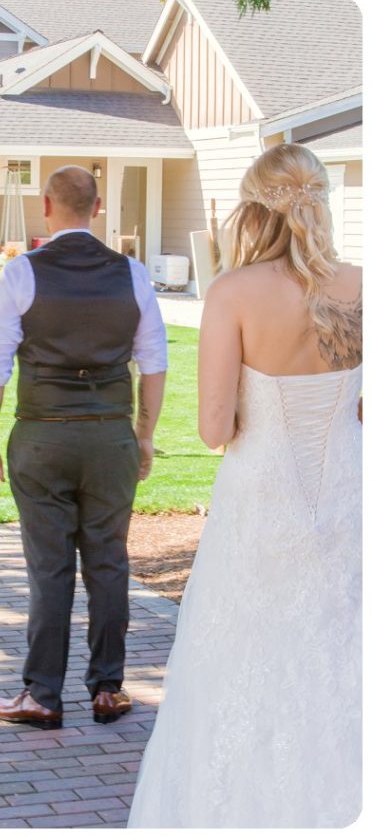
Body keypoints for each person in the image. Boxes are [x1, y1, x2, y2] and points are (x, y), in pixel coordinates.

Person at [127, 144, 361, 827]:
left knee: (242, 657)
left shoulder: (234, 291)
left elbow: (211, 427)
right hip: (349, 496)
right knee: (338, 652)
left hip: (262, 503)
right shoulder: (361, 286)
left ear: (253, 209)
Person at [0, 165, 168, 730]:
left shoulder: (20, 273)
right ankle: (108, 689)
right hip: (110, 436)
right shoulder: (131, 274)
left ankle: (41, 695)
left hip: (41, 435)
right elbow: (153, 363)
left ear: (46, 206)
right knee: (109, 562)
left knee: (50, 568)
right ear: (98, 206)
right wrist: (144, 433)